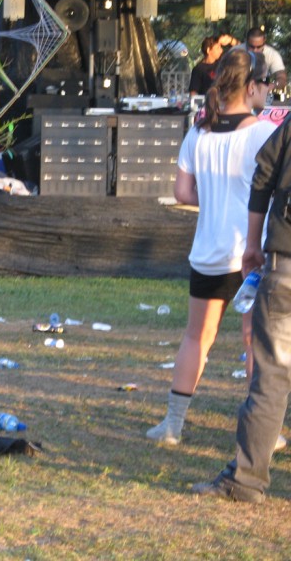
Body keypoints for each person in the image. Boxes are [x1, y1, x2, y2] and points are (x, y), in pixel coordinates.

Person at [146, 48, 277, 446]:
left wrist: (216, 199)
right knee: (254, 341)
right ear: (251, 87)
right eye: (265, 83)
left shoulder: (198, 133)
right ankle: (264, 433)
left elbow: (182, 192)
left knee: (196, 338)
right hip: (251, 253)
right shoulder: (264, 134)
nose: (268, 90)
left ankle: (172, 425)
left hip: (207, 252)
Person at [192, 96, 291, 503]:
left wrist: (253, 243)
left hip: (285, 261)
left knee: (271, 376)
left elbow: (263, 175)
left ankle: (246, 480)